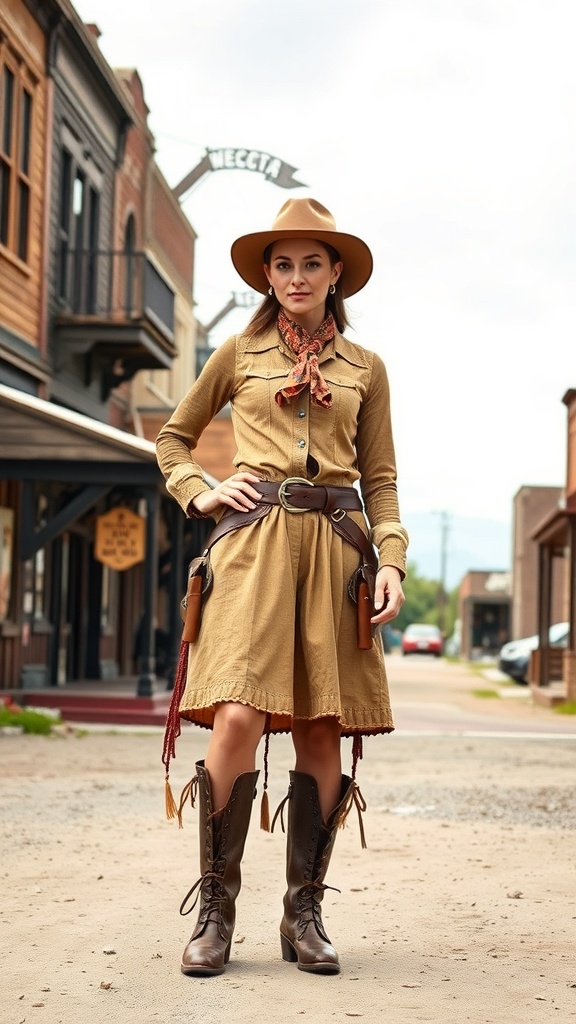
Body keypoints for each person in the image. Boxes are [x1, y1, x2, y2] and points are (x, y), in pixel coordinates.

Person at [155, 197, 408, 978]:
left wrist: (391, 559)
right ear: (269, 274)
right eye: (284, 263)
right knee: (237, 715)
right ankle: (217, 909)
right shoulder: (237, 351)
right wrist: (199, 489)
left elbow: (382, 479)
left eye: (312, 262)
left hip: (335, 554)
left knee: (321, 729)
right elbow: (173, 438)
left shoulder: (366, 369)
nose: (297, 276)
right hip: (254, 548)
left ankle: (305, 911)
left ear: (337, 275)